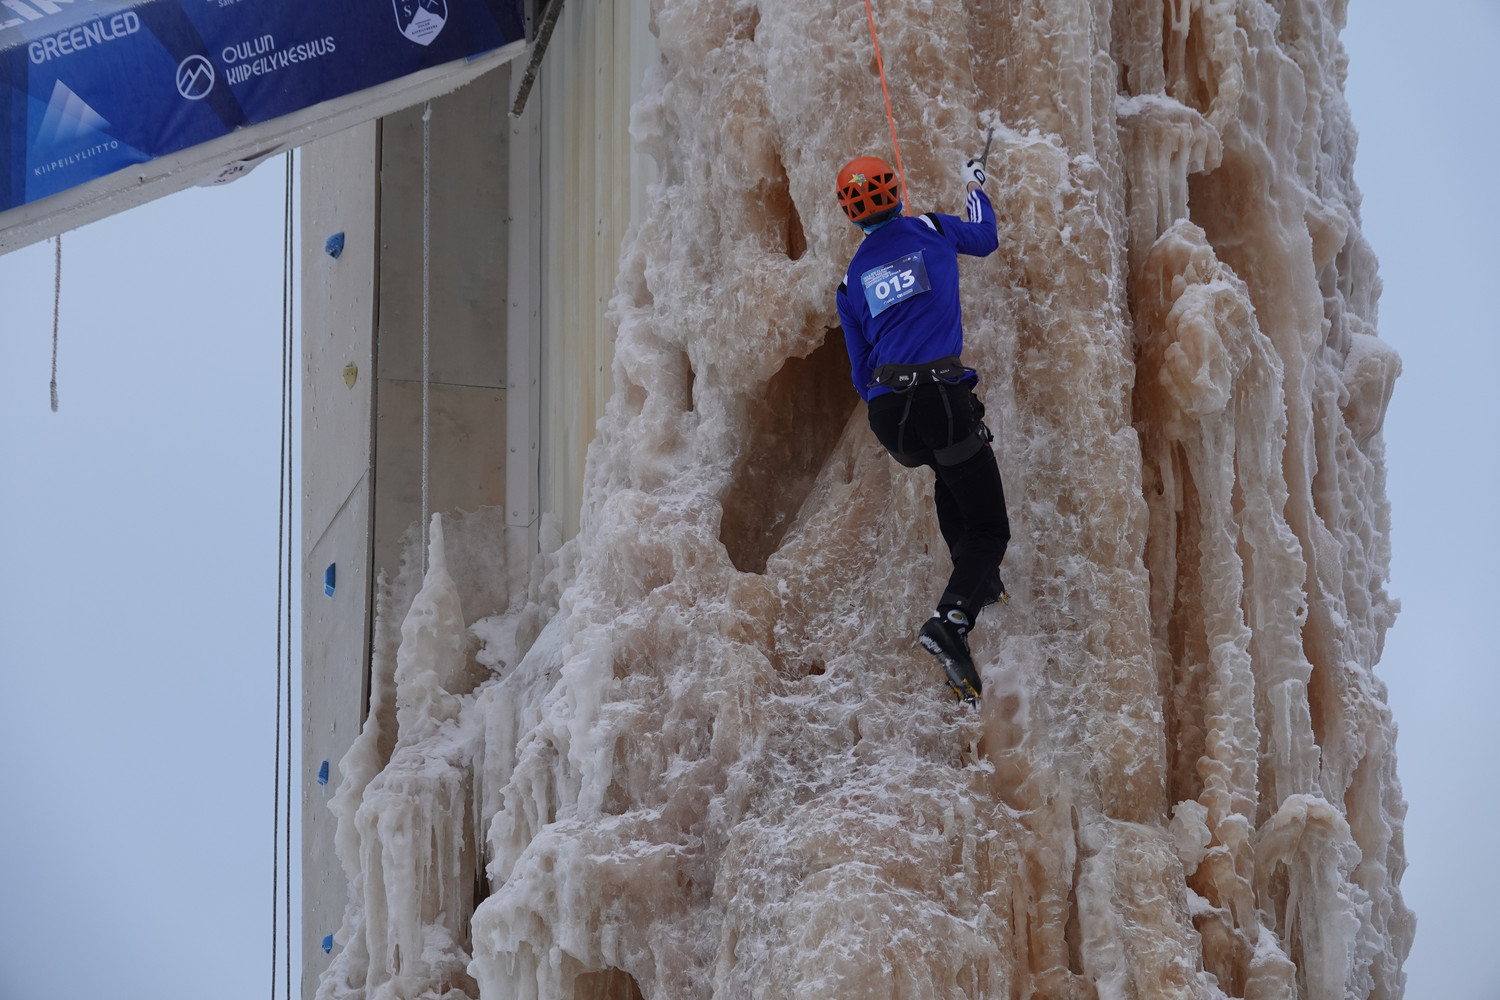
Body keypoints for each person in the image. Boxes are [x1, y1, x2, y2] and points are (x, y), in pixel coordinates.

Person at [834, 154, 1011, 705]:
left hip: (891, 418)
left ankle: (978, 580)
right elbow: (985, 238)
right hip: (940, 397)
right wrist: (975, 186)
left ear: (850, 214)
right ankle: (951, 620)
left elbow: (860, 375)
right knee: (992, 530)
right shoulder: (931, 228)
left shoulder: (850, 281)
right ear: (895, 191)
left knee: (947, 468)